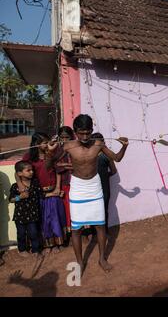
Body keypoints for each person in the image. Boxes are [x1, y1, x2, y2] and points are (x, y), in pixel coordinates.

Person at [47, 114, 128, 272]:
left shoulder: (98, 144)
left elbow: (117, 158)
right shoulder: (68, 146)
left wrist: (124, 146)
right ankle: (79, 262)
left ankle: (102, 259)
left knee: (100, 225)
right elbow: (50, 166)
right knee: (76, 229)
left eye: (88, 132)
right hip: (78, 188)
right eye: (81, 133)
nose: (84, 137)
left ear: (92, 130)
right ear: (75, 131)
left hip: (94, 187)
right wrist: (50, 153)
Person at [20, 133, 66, 254]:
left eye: (47, 141)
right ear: (36, 144)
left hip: (53, 192)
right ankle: (46, 245)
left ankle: (57, 243)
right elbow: (19, 171)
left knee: (55, 219)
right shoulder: (28, 157)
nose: (47, 144)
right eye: (44, 142)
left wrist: (57, 187)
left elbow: (58, 172)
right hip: (38, 194)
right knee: (43, 220)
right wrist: (21, 186)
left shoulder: (52, 154)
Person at [9, 161, 44, 258]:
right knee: (21, 234)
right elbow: (11, 199)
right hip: (20, 216)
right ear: (19, 173)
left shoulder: (35, 183)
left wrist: (53, 193)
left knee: (33, 233)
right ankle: (22, 249)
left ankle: (35, 250)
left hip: (32, 215)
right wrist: (19, 197)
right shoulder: (15, 186)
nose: (32, 172)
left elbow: (41, 194)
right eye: (28, 170)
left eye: (32, 170)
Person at [91, 132, 117, 233]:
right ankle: (98, 232)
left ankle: (102, 232)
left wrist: (104, 175)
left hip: (103, 188)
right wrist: (105, 175)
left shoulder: (106, 156)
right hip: (96, 187)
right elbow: (113, 171)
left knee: (102, 210)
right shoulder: (90, 155)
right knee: (99, 210)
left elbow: (113, 171)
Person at [56, 126, 75, 239]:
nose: (64, 140)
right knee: (66, 209)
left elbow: (80, 163)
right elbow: (55, 165)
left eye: (67, 137)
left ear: (71, 137)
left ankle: (82, 232)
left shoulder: (76, 148)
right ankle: (69, 234)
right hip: (65, 183)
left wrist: (64, 165)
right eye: (62, 137)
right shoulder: (58, 150)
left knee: (77, 208)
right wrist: (66, 165)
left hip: (77, 182)